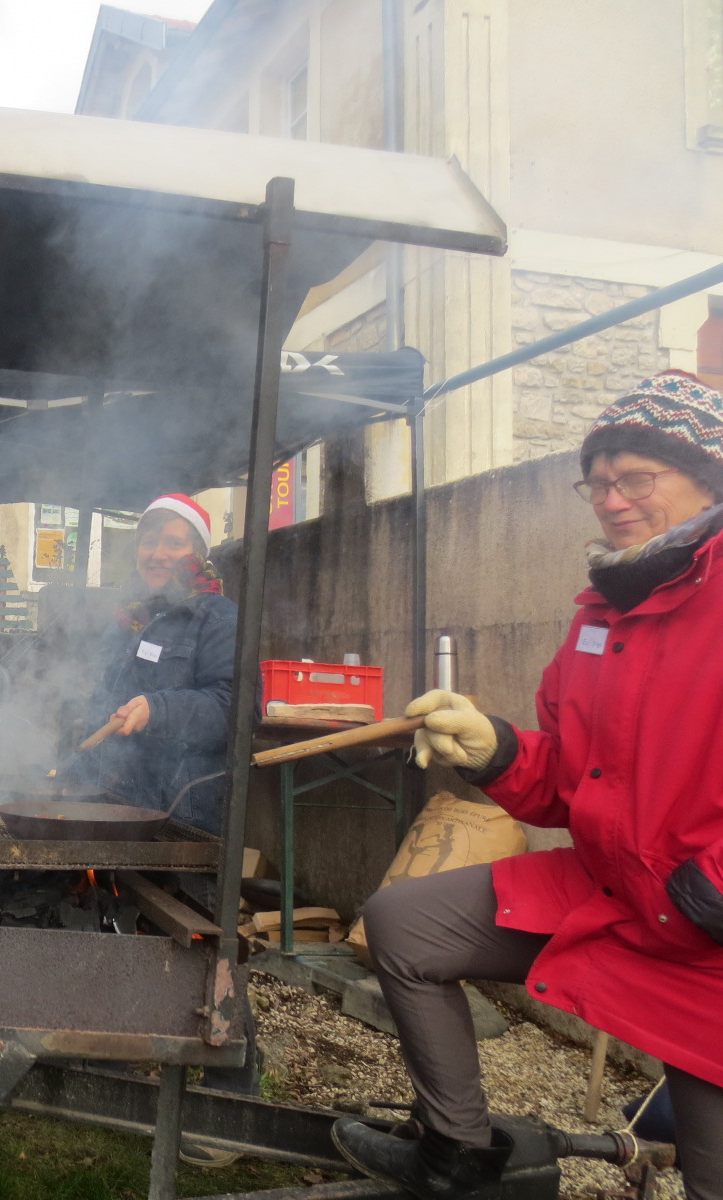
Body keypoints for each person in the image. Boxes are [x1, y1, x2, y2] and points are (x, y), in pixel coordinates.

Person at [332, 370, 723, 1200]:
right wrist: (496, 749)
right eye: (599, 481)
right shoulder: (600, 613)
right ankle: (458, 1154)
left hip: (710, 937)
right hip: (615, 891)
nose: (612, 499)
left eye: (638, 478)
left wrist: (712, 892)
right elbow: (568, 782)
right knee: (406, 922)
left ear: (707, 477)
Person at [68, 493, 236, 829]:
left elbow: (235, 708)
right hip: (115, 804)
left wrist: (157, 709)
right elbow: (101, 704)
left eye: (174, 543)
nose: (158, 554)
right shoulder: (130, 617)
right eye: (149, 542)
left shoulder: (218, 617)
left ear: (199, 552)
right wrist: (72, 775)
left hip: (180, 816)